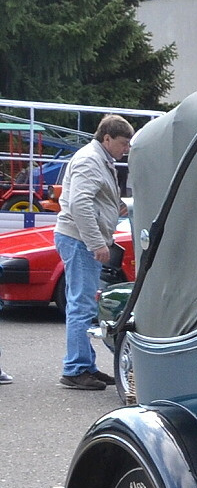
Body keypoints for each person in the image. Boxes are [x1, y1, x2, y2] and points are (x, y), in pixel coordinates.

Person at [52, 115, 133, 390]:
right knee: (81, 305)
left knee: (83, 303)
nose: (126, 149)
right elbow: (80, 204)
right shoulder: (90, 160)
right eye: (123, 143)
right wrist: (96, 243)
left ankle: (84, 365)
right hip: (79, 240)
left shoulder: (98, 158)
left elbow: (93, 199)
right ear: (107, 138)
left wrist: (116, 206)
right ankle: (75, 369)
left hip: (77, 238)